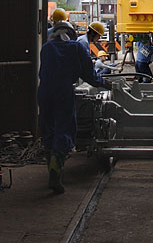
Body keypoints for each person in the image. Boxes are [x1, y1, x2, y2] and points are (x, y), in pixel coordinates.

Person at [38, 21, 112, 194]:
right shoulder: (76, 48)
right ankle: (56, 171)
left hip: (43, 91)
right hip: (62, 91)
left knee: (48, 128)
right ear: (71, 34)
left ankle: (52, 168)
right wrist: (104, 83)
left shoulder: (47, 47)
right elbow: (88, 74)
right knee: (64, 128)